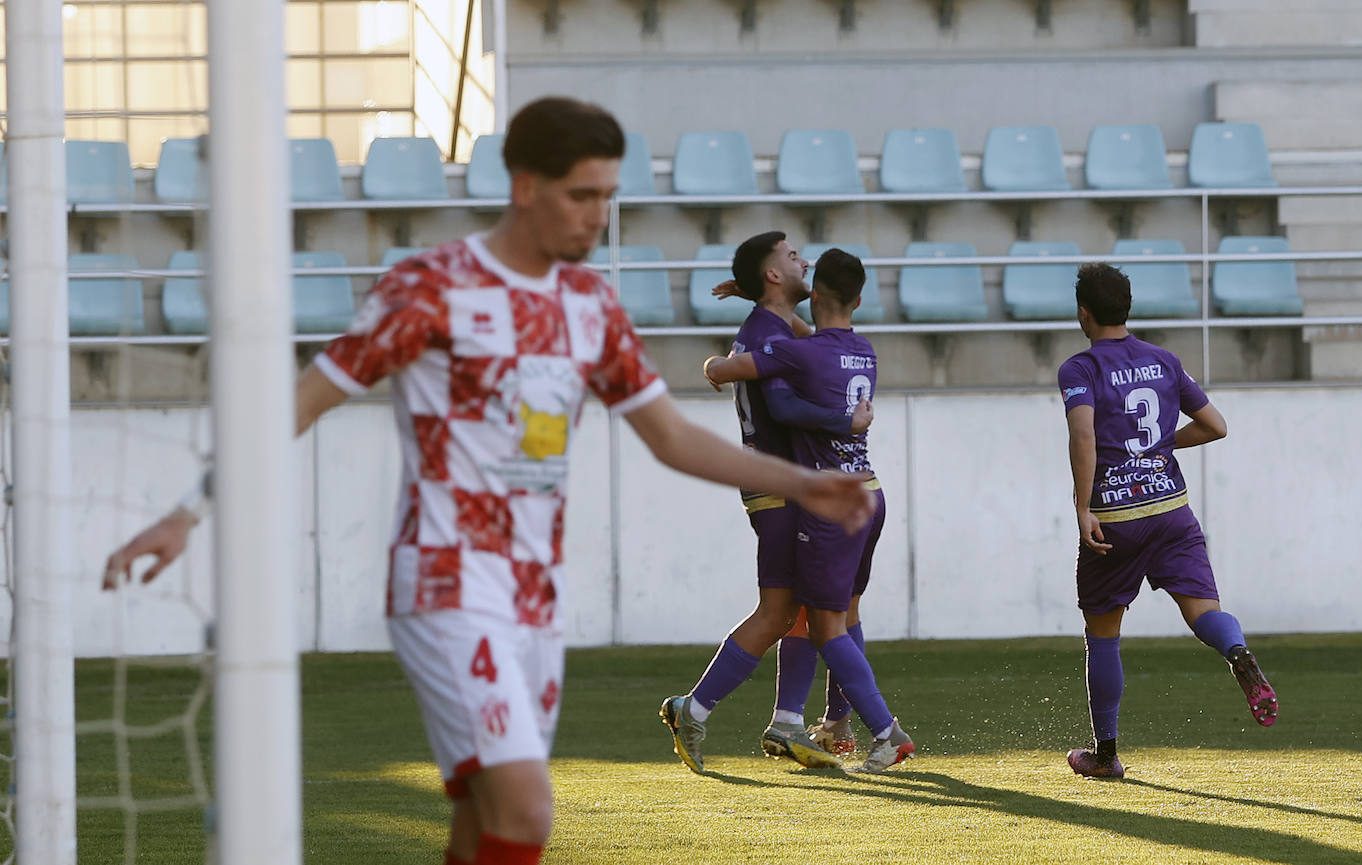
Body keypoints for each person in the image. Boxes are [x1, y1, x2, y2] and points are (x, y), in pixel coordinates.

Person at [101, 97, 875, 865]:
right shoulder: (431, 286)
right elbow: (298, 404)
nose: (596, 217)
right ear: (524, 185)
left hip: (533, 597)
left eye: (607, 197)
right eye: (581, 195)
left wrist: (802, 484)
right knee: (527, 808)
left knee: (484, 822)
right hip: (444, 582)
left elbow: (670, 436)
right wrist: (186, 513)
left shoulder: (588, 307)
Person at [660, 232, 872, 774]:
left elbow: (811, 338)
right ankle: (698, 707)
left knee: (801, 608)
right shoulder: (767, 332)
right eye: (792, 257)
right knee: (781, 611)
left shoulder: (775, 326)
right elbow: (779, 402)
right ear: (776, 276)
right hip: (775, 488)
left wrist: (752, 296)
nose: (805, 261)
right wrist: (843, 420)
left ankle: (786, 722)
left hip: (784, 486)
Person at [1056, 262, 1278, 780]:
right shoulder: (1163, 360)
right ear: (1127, 307)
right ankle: (1237, 652)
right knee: (1204, 611)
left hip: (1117, 514)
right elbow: (1215, 426)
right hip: (1171, 508)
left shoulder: (1080, 369)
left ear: (1083, 312)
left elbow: (1084, 437)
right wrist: (1162, 445)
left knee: (1103, 631)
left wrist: (1083, 506)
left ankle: (1106, 755)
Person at [700, 248, 914, 774]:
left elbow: (746, 381)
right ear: (859, 300)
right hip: (871, 492)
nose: (799, 259)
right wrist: (758, 294)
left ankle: (887, 733)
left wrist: (713, 365)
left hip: (827, 498)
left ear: (815, 293)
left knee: (822, 626)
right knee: (845, 613)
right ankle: (834, 723)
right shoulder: (863, 351)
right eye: (790, 254)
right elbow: (804, 333)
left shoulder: (799, 353)